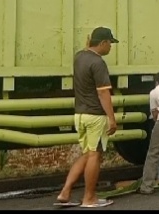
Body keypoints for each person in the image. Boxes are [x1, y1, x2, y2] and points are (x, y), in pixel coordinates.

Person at [55, 27, 119, 208]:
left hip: (80, 114)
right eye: (110, 43)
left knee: (87, 153)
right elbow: (103, 94)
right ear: (103, 43)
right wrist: (111, 118)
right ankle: (89, 198)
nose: (110, 48)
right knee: (95, 155)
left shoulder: (79, 57)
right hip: (95, 115)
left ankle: (65, 191)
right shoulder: (98, 63)